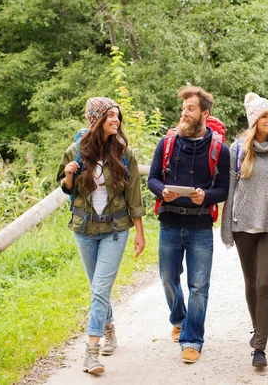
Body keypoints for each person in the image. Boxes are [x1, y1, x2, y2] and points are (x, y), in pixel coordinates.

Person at [57, 97, 146, 374]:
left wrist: (140, 233)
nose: (115, 120)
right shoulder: (76, 151)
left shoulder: (123, 153)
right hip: (84, 229)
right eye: (109, 115)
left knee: (99, 290)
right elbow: (65, 187)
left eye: (117, 115)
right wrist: (69, 175)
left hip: (115, 230)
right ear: (95, 119)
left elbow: (134, 195)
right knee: (98, 289)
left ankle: (91, 352)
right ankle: (109, 330)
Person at [147, 86, 230, 364]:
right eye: (183, 109)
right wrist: (162, 191)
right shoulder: (167, 143)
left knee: (198, 285)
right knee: (168, 278)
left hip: (200, 226)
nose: (184, 113)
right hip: (169, 222)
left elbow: (224, 189)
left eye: (190, 109)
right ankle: (178, 318)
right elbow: (153, 178)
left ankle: (192, 339)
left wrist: (206, 196)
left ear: (205, 113)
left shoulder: (220, 149)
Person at [221, 93, 268, 369]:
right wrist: (226, 228)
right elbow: (230, 191)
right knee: (250, 283)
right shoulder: (237, 150)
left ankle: (260, 348)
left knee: (263, 284)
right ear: (254, 121)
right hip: (243, 225)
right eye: (265, 116)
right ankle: (256, 327)